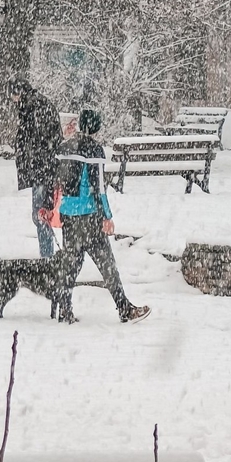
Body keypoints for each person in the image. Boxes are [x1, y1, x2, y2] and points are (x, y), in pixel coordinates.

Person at [54, 108, 149, 324]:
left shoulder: (65, 147)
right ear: (96, 128)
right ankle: (124, 308)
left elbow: (57, 179)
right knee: (107, 265)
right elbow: (99, 189)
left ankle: (65, 310)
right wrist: (107, 215)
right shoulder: (95, 150)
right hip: (89, 218)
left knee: (70, 266)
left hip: (68, 215)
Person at [12, 80, 61, 258]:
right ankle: (47, 255)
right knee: (41, 214)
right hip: (43, 169)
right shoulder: (35, 105)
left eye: (14, 95)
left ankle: (47, 257)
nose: (13, 100)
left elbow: (37, 141)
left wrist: (32, 164)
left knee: (41, 215)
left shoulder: (33, 108)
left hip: (42, 170)